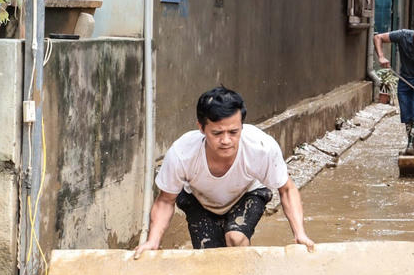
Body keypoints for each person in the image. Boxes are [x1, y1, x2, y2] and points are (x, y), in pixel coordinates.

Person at [134, 87, 315, 254]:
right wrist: (153, 241)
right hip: (198, 200)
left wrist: (300, 234)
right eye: (217, 133)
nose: (226, 140)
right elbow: (165, 201)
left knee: (235, 238)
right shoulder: (181, 153)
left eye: (233, 132)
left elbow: (287, 189)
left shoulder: (262, 148)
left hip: (248, 193)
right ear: (201, 128)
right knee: (210, 256)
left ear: (242, 126)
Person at [374, 21, 414, 156]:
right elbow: (378, 37)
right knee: (406, 113)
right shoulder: (403, 35)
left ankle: (410, 145)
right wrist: (381, 56)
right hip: (404, 78)